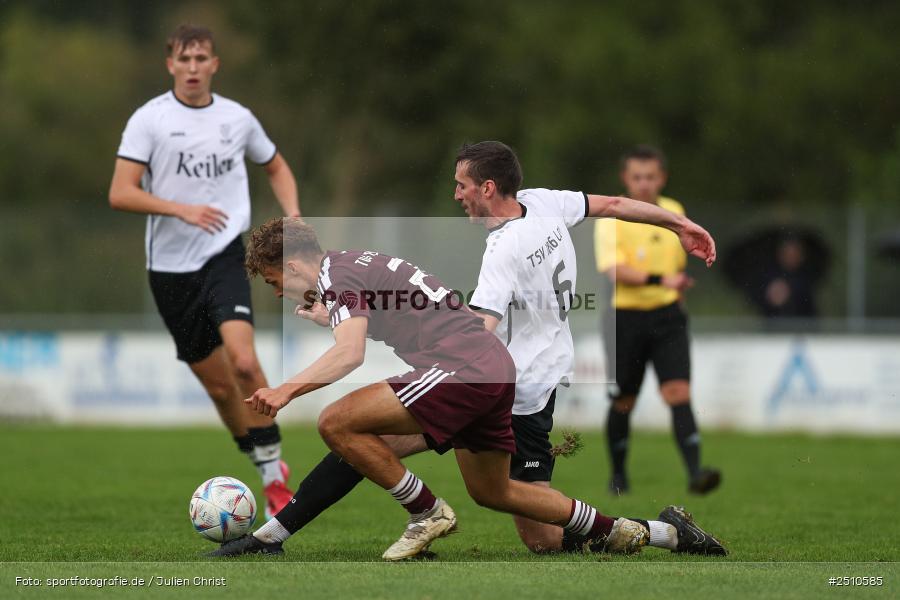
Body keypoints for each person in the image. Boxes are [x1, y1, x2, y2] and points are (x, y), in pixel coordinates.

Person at [211, 146, 725, 560]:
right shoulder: (542, 202)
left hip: (503, 381)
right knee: (514, 513)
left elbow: (478, 328)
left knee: (347, 427)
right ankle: (664, 534)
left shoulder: (502, 249)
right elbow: (612, 205)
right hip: (529, 375)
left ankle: (409, 516)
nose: (456, 195)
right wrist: (677, 224)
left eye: (461, 185)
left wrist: (295, 383)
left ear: (487, 187)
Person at [107, 24, 300, 517]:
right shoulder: (148, 120)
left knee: (241, 361)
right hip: (170, 270)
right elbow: (121, 192)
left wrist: (294, 216)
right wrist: (180, 209)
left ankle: (276, 476)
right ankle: (260, 464)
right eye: (184, 59)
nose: (193, 68)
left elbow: (274, 165)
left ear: (215, 64)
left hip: (223, 254)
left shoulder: (237, 119)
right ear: (170, 64)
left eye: (201, 59)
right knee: (218, 387)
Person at [594, 145, 720, 496]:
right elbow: (613, 269)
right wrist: (661, 281)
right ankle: (618, 476)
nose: (644, 184)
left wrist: (675, 290)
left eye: (650, 177)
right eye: (637, 177)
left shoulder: (674, 211)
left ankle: (696, 474)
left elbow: (678, 265)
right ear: (626, 179)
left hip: (668, 317)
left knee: (679, 393)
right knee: (624, 400)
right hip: (625, 318)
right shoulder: (612, 215)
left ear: (661, 178)